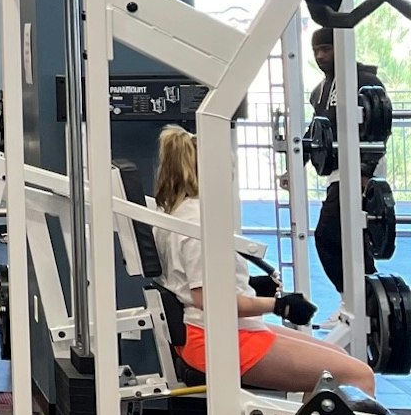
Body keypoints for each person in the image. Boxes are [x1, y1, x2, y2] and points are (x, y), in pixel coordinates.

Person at [152, 125, 372, 393]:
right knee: (358, 376)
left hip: (211, 331)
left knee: (338, 358)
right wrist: (278, 306)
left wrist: (252, 286)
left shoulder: (176, 215)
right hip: (217, 339)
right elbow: (207, 299)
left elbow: (188, 283)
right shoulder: (199, 221)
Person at [308, 25, 394, 296]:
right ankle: (363, 301)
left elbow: (379, 129)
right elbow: (315, 131)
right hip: (337, 171)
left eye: (326, 49)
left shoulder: (365, 81)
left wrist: (365, 172)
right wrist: (295, 164)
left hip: (360, 169)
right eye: (316, 51)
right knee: (350, 238)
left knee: (328, 235)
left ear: (341, 48)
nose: (320, 56)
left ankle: (360, 298)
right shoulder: (319, 91)